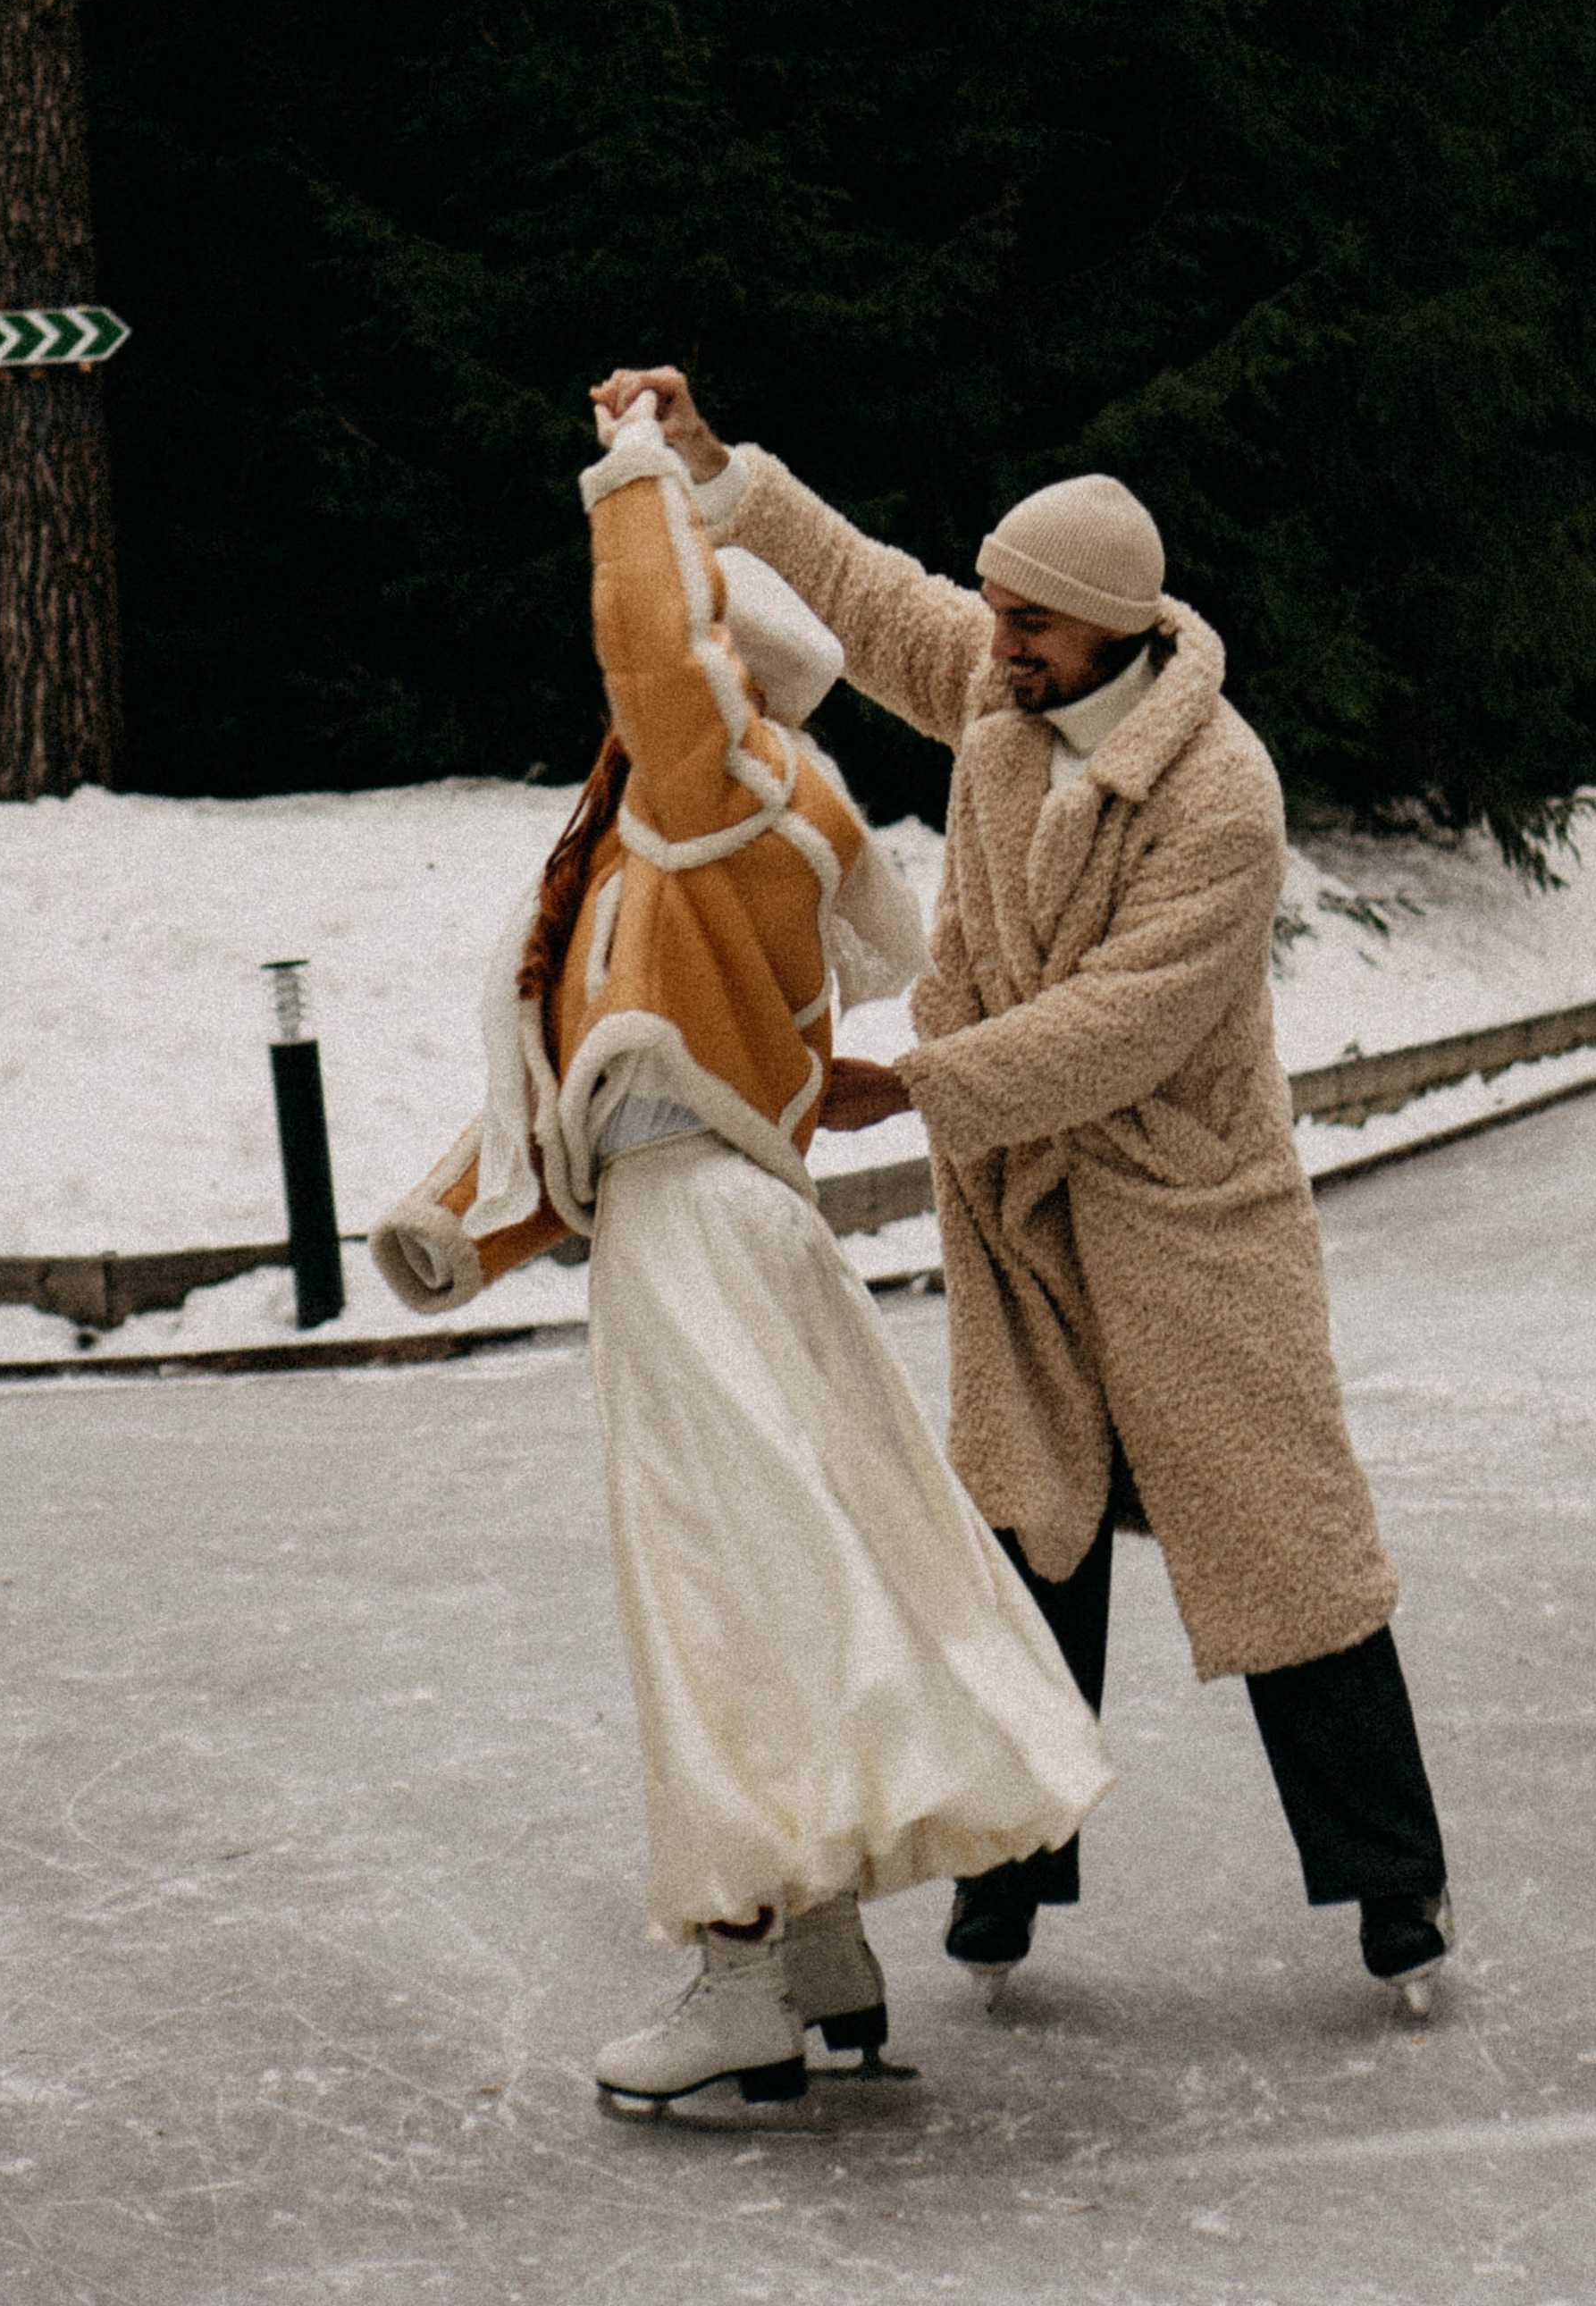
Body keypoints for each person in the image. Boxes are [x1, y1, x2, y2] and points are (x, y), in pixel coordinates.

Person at [594, 365, 1455, 2018]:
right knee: (1020, 1552)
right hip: (1030, 1230)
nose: (994, 647)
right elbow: (866, 588)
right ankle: (1006, 1887)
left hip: (1190, 1225)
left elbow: (1121, 1028)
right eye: (994, 618)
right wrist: (715, 466)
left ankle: (1395, 1890)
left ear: (1115, 631)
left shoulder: (1223, 794)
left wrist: (911, 1084)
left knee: (1290, 1561)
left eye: (1030, 628)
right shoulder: (997, 701)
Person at [371, 380, 1112, 2109]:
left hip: (705, 1247)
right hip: (715, 1233)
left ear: (725, 678)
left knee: (715, 1599)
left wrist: (641, 473)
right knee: (777, 1582)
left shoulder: (717, 789)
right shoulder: (671, 846)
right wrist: (459, 1232)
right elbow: (608, 1071)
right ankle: (823, 1950)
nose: (625, 706)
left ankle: (735, 1975)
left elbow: (646, 641)